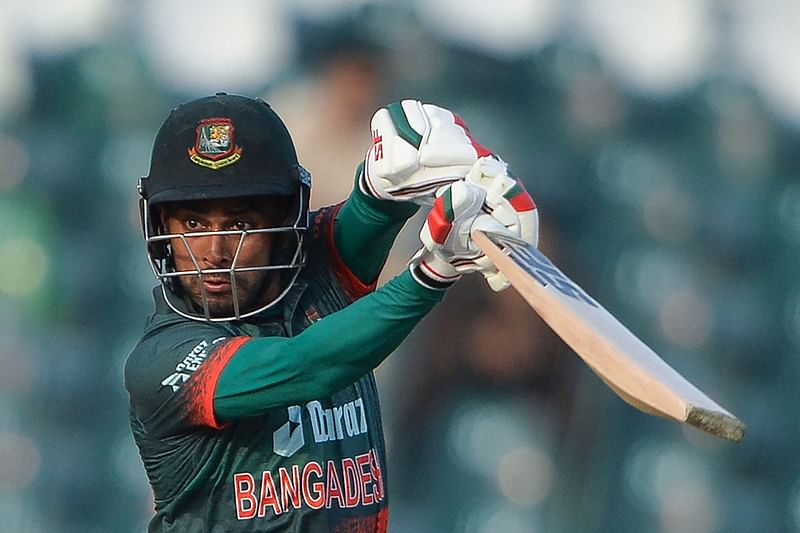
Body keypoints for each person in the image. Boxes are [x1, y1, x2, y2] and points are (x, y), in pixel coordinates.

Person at [124, 93, 538, 532]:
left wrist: (404, 168)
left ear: (285, 222)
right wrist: (433, 271)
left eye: (241, 224)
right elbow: (308, 366)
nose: (214, 252)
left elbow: (372, 211)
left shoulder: (316, 269)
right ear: (160, 225)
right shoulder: (163, 360)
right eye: (192, 224)